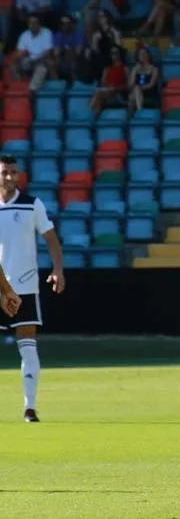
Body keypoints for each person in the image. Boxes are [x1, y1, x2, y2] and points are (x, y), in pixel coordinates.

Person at [0, 155, 66, 424]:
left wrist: (57, 269)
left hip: (24, 285)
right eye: (4, 172)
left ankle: (30, 407)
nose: (8, 177)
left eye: (13, 173)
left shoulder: (31, 205)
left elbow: (51, 238)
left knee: (27, 347)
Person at [89, 45, 128, 114]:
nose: (114, 55)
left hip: (117, 94)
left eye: (116, 53)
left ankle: (89, 113)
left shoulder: (125, 68)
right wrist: (108, 87)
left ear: (120, 54)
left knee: (98, 94)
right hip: (106, 92)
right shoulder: (107, 69)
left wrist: (116, 88)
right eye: (112, 53)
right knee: (99, 100)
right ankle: (94, 121)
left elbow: (128, 85)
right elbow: (103, 83)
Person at [127, 47, 159, 114]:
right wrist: (134, 71)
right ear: (138, 57)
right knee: (132, 95)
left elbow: (151, 84)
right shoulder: (135, 68)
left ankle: (136, 115)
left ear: (148, 55)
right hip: (136, 92)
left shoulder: (154, 69)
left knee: (133, 95)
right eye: (140, 54)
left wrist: (140, 88)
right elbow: (130, 85)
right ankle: (138, 113)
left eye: (144, 53)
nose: (142, 55)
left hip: (149, 91)